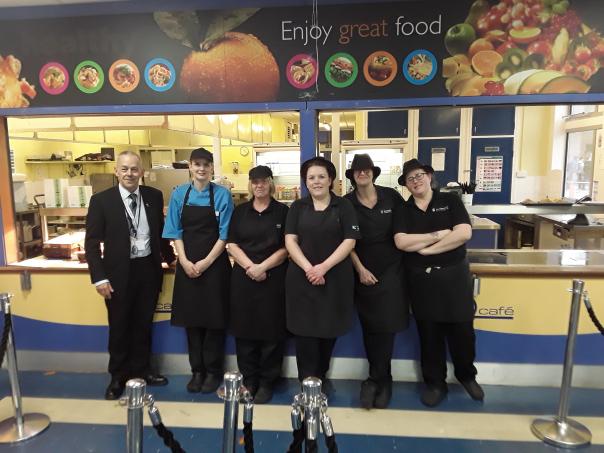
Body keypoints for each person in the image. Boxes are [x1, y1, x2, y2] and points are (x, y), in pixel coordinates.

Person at [85, 150, 175, 400]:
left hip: (148, 270)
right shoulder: (102, 201)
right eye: (124, 169)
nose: (129, 174)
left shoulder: (153, 196)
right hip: (117, 274)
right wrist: (99, 277)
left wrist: (170, 258)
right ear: (116, 171)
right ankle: (118, 376)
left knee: (143, 325)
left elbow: (160, 233)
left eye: (134, 169)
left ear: (141, 172)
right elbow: (91, 243)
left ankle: (143, 370)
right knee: (119, 326)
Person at [393, 158, 483, 407]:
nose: (416, 181)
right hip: (422, 281)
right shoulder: (403, 210)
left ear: (429, 176)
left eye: (419, 175)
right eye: (410, 179)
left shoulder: (451, 201)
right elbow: (401, 242)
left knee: (463, 333)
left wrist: (427, 250)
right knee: (429, 335)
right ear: (406, 185)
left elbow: (463, 233)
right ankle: (435, 384)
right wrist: (439, 234)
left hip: (455, 278)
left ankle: (467, 376)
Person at [285, 156, 360, 394]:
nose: (316, 181)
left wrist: (323, 268)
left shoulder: (344, 206)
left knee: (329, 329)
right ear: (306, 182)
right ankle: (307, 381)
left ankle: (321, 376)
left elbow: (350, 241)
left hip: (334, 279)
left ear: (330, 180)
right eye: (311, 178)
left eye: (321, 176)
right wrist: (310, 268)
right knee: (304, 333)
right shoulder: (297, 207)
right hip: (302, 279)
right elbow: (290, 241)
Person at [163, 147, 234, 393]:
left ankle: (213, 372)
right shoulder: (179, 194)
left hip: (215, 267)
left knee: (215, 322)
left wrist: (206, 262)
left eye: (206, 164)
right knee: (192, 322)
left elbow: (225, 234)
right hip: (187, 265)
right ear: (190, 167)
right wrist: (183, 260)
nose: (201, 168)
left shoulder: (222, 195)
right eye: (197, 164)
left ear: (212, 167)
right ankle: (197, 371)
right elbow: (175, 231)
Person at [344, 154, 408, 409]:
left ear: (373, 172)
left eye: (366, 169)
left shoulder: (391, 197)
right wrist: (360, 269)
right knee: (371, 327)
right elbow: (346, 241)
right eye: (358, 170)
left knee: (387, 326)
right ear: (352, 175)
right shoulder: (347, 203)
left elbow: (406, 228)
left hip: (393, 271)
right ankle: (378, 378)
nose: (362, 173)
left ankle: (380, 379)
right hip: (363, 272)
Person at [227, 165, 289, 404]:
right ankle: (249, 380)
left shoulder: (283, 212)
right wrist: (250, 267)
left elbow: (286, 248)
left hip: (273, 278)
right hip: (244, 279)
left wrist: (263, 267)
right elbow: (232, 244)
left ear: (271, 183)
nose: (259, 185)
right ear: (250, 185)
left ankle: (267, 381)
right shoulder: (240, 211)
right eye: (255, 182)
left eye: (263, 181)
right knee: (244, 331)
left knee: (271, 332)